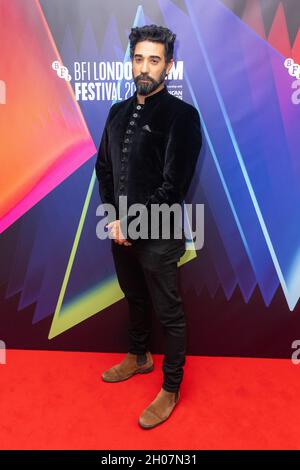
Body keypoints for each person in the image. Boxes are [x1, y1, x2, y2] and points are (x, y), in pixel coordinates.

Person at [95, 24, 202, 429]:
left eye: (154, 60)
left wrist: (132, 225)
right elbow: (103, 169)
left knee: (168, 311)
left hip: (159, 234)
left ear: (168, 66)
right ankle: (139, 356)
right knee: (134, 298)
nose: (145, 67)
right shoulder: (116, 112)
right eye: (138, 58)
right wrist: (115, 219)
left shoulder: (182, 116)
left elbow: (173, 186)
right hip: (119, 230)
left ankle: (171, 387)